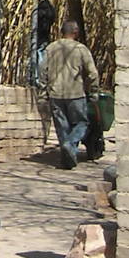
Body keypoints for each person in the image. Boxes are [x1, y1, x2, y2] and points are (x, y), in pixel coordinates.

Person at [42, 19, 99, 169]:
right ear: (75, 32)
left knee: (62, 127)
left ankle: (67, 157)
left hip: (56, 94)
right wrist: (93, 91)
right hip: (75, 93)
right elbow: (93, 73)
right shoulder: (80, 49)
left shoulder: (51, 48)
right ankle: (70, 144)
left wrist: (43, 91)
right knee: (82, 122)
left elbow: (42, 71)